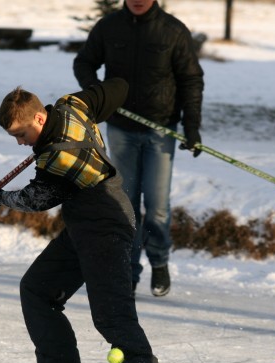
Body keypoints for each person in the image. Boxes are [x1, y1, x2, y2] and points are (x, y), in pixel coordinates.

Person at [0, 77, 189, 363]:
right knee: (38, 288)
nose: (21, 143)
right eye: (15, 138)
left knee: (112, 316)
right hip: (84, 224)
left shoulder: (58, 155)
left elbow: (36, 199)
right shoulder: (72, 106)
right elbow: (118, 88)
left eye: (22, 134)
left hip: (106, 224)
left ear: (39, 119)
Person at [73, 0, 204, 297]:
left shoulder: (173, 30)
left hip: (161, 130)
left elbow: (191, 79)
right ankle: (128, 271)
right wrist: (97, 91)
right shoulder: (109, 27)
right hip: (121, 129)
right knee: (125, 204)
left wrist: (192, 125)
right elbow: (84, 62)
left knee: (157, 206)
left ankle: (159, 263)